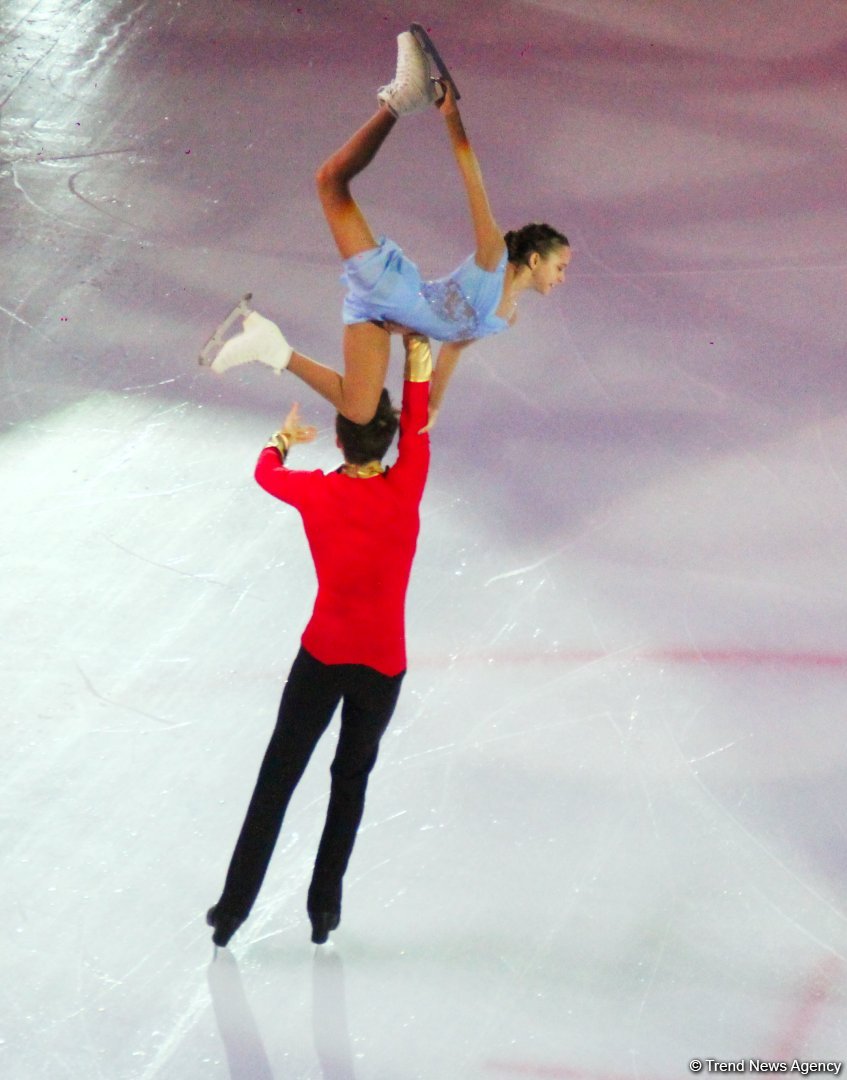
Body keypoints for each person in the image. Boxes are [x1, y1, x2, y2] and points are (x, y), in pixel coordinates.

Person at [208, 29, 570, 430]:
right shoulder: (493, 259)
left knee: (360, 408)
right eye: (560, 266)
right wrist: (451, 116)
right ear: (534, 259)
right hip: (392, 291)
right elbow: (472, 178)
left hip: (384, 314)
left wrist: (433, 405)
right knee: (331, 181)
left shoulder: (506, 318)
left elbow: (453, 347)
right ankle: (401, 100)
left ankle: (273, 348)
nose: (562, 277)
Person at [206, 331, 433, 948]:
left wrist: (281, 439)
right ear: (387, 438)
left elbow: (266, 473)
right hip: (382, 667)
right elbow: (418, 424)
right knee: (350, 781)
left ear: (337, 439)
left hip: (323, 656)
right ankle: (324, 909)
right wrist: (416, 353)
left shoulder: (317, 492)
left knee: (276, 780)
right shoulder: (407, 484)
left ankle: (232, 911)